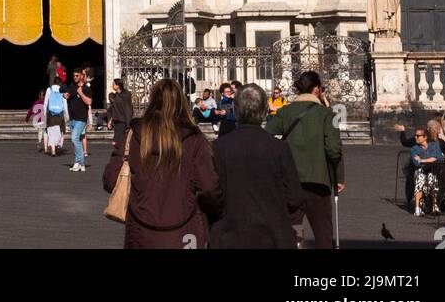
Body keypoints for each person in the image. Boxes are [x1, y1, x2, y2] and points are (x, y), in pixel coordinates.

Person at [103, 78, 222, 250]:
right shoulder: (194, 140)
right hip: (185, 230)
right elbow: (209, 187)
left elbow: (110, 180)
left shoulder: (133, 137)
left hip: (141, 229)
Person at [211, 84, 304, 249]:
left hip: (230, 235)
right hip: (271, 235)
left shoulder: (218, 148)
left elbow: (211, 193)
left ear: (236, 110)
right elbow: (294, 197)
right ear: (264, 111)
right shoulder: (278, 148)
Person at [267, 70, 343, 250]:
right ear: (317, 89)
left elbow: (267, 133)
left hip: (290, 180)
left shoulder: (285, 111)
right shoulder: (328, 114)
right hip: (318, 181)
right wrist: (339, 177)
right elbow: (334, 150)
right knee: (322, 231)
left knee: (293, 227)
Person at [64, 68, 92, 173]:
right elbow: (68, 95)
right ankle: (79, 163)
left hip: (81, 118)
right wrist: (65, 95)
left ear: (81, 76)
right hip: (72, 118)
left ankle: (80, 162)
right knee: (77, 141)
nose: (75, 77)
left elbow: (89, 102)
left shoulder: (86, 88)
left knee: (74, 138)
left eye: (77, 75)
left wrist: (81, 93)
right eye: (74, 75)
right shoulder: (72, 86)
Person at [410, 127, 442, 216]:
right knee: (420, 177)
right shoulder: (414, 148)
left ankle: (435, 206)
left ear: (425, 137)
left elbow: (440, 159)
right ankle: (417, 208)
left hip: (432, 170)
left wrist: (423, 160)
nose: (415, 137)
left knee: (432, 177)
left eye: (418, 136)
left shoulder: (434, 145)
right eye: (415, 135)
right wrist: (432, 159)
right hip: (420, 171)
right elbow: (416, 163)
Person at [107, 78, 134, 148]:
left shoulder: (126, 95)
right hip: (116, 120)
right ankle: (121, 155)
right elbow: (113, 109)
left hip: (122, 121)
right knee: (120, 141)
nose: (112, 86)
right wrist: (110, 120)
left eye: (113, 84)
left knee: (115, 142)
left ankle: (119, 155)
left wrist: (129, 123)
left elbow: (128, 109)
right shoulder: (115, 96)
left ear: (118, 85)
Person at [43, 80, 68, 154]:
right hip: (60, 114)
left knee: (51, 131)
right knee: (60, 131)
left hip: (51, 114)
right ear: (59, 83)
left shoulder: (49, 89)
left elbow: (45, 103)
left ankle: (53, 150)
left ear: (53, 82)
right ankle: (58, 146)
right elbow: (65, 103)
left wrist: (44, 114)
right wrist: (67, 115)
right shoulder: (62, 90)